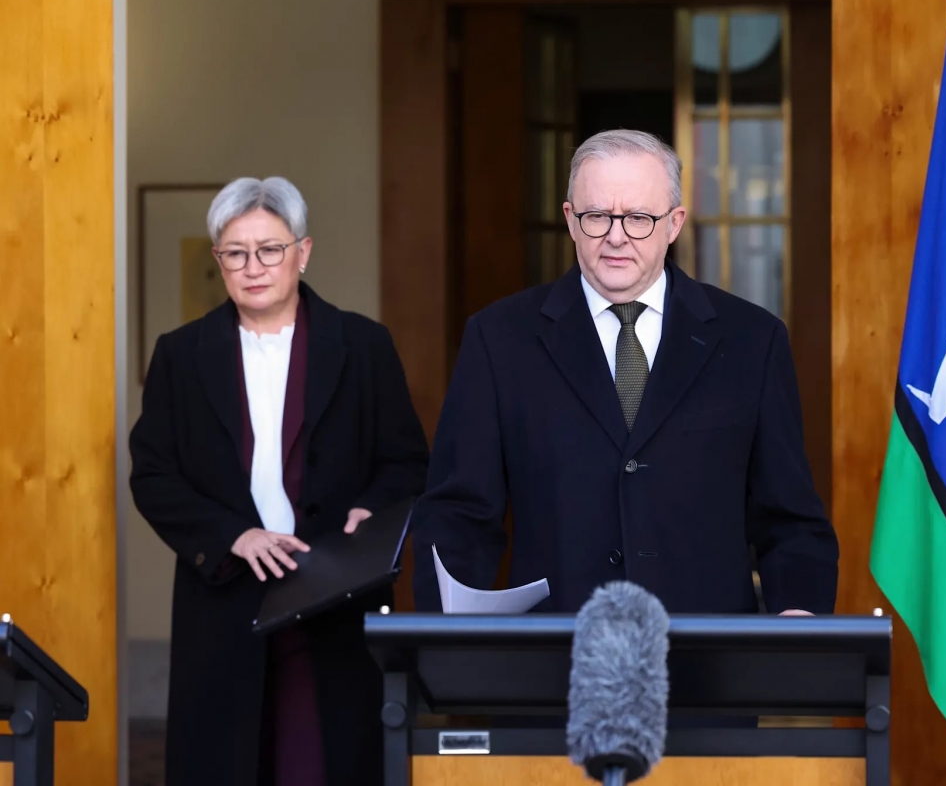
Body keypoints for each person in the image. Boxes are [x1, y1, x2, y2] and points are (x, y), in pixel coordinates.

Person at [411, 130, 838, 617]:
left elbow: (790, 519)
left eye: (638, 218)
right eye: (597, 216)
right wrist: (447, 636)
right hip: (558, 650)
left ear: (674, 224)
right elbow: (458, 516)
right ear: (570, 220)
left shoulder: (751, 341)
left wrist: (798, 621)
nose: (616, 236)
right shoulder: (500, 340)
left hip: (707, 652)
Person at [129, 177, 429, 786]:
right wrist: (233, 537)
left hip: (337, 596)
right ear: (219, 260)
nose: (253, 267)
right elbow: (154, 475)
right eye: (235, 253)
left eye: (269, 249)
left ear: (303, 251)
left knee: (329, 762)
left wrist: (371, 512)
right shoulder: (180, 355)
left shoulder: (363, 346)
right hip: (224, 601)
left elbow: (406, 463)